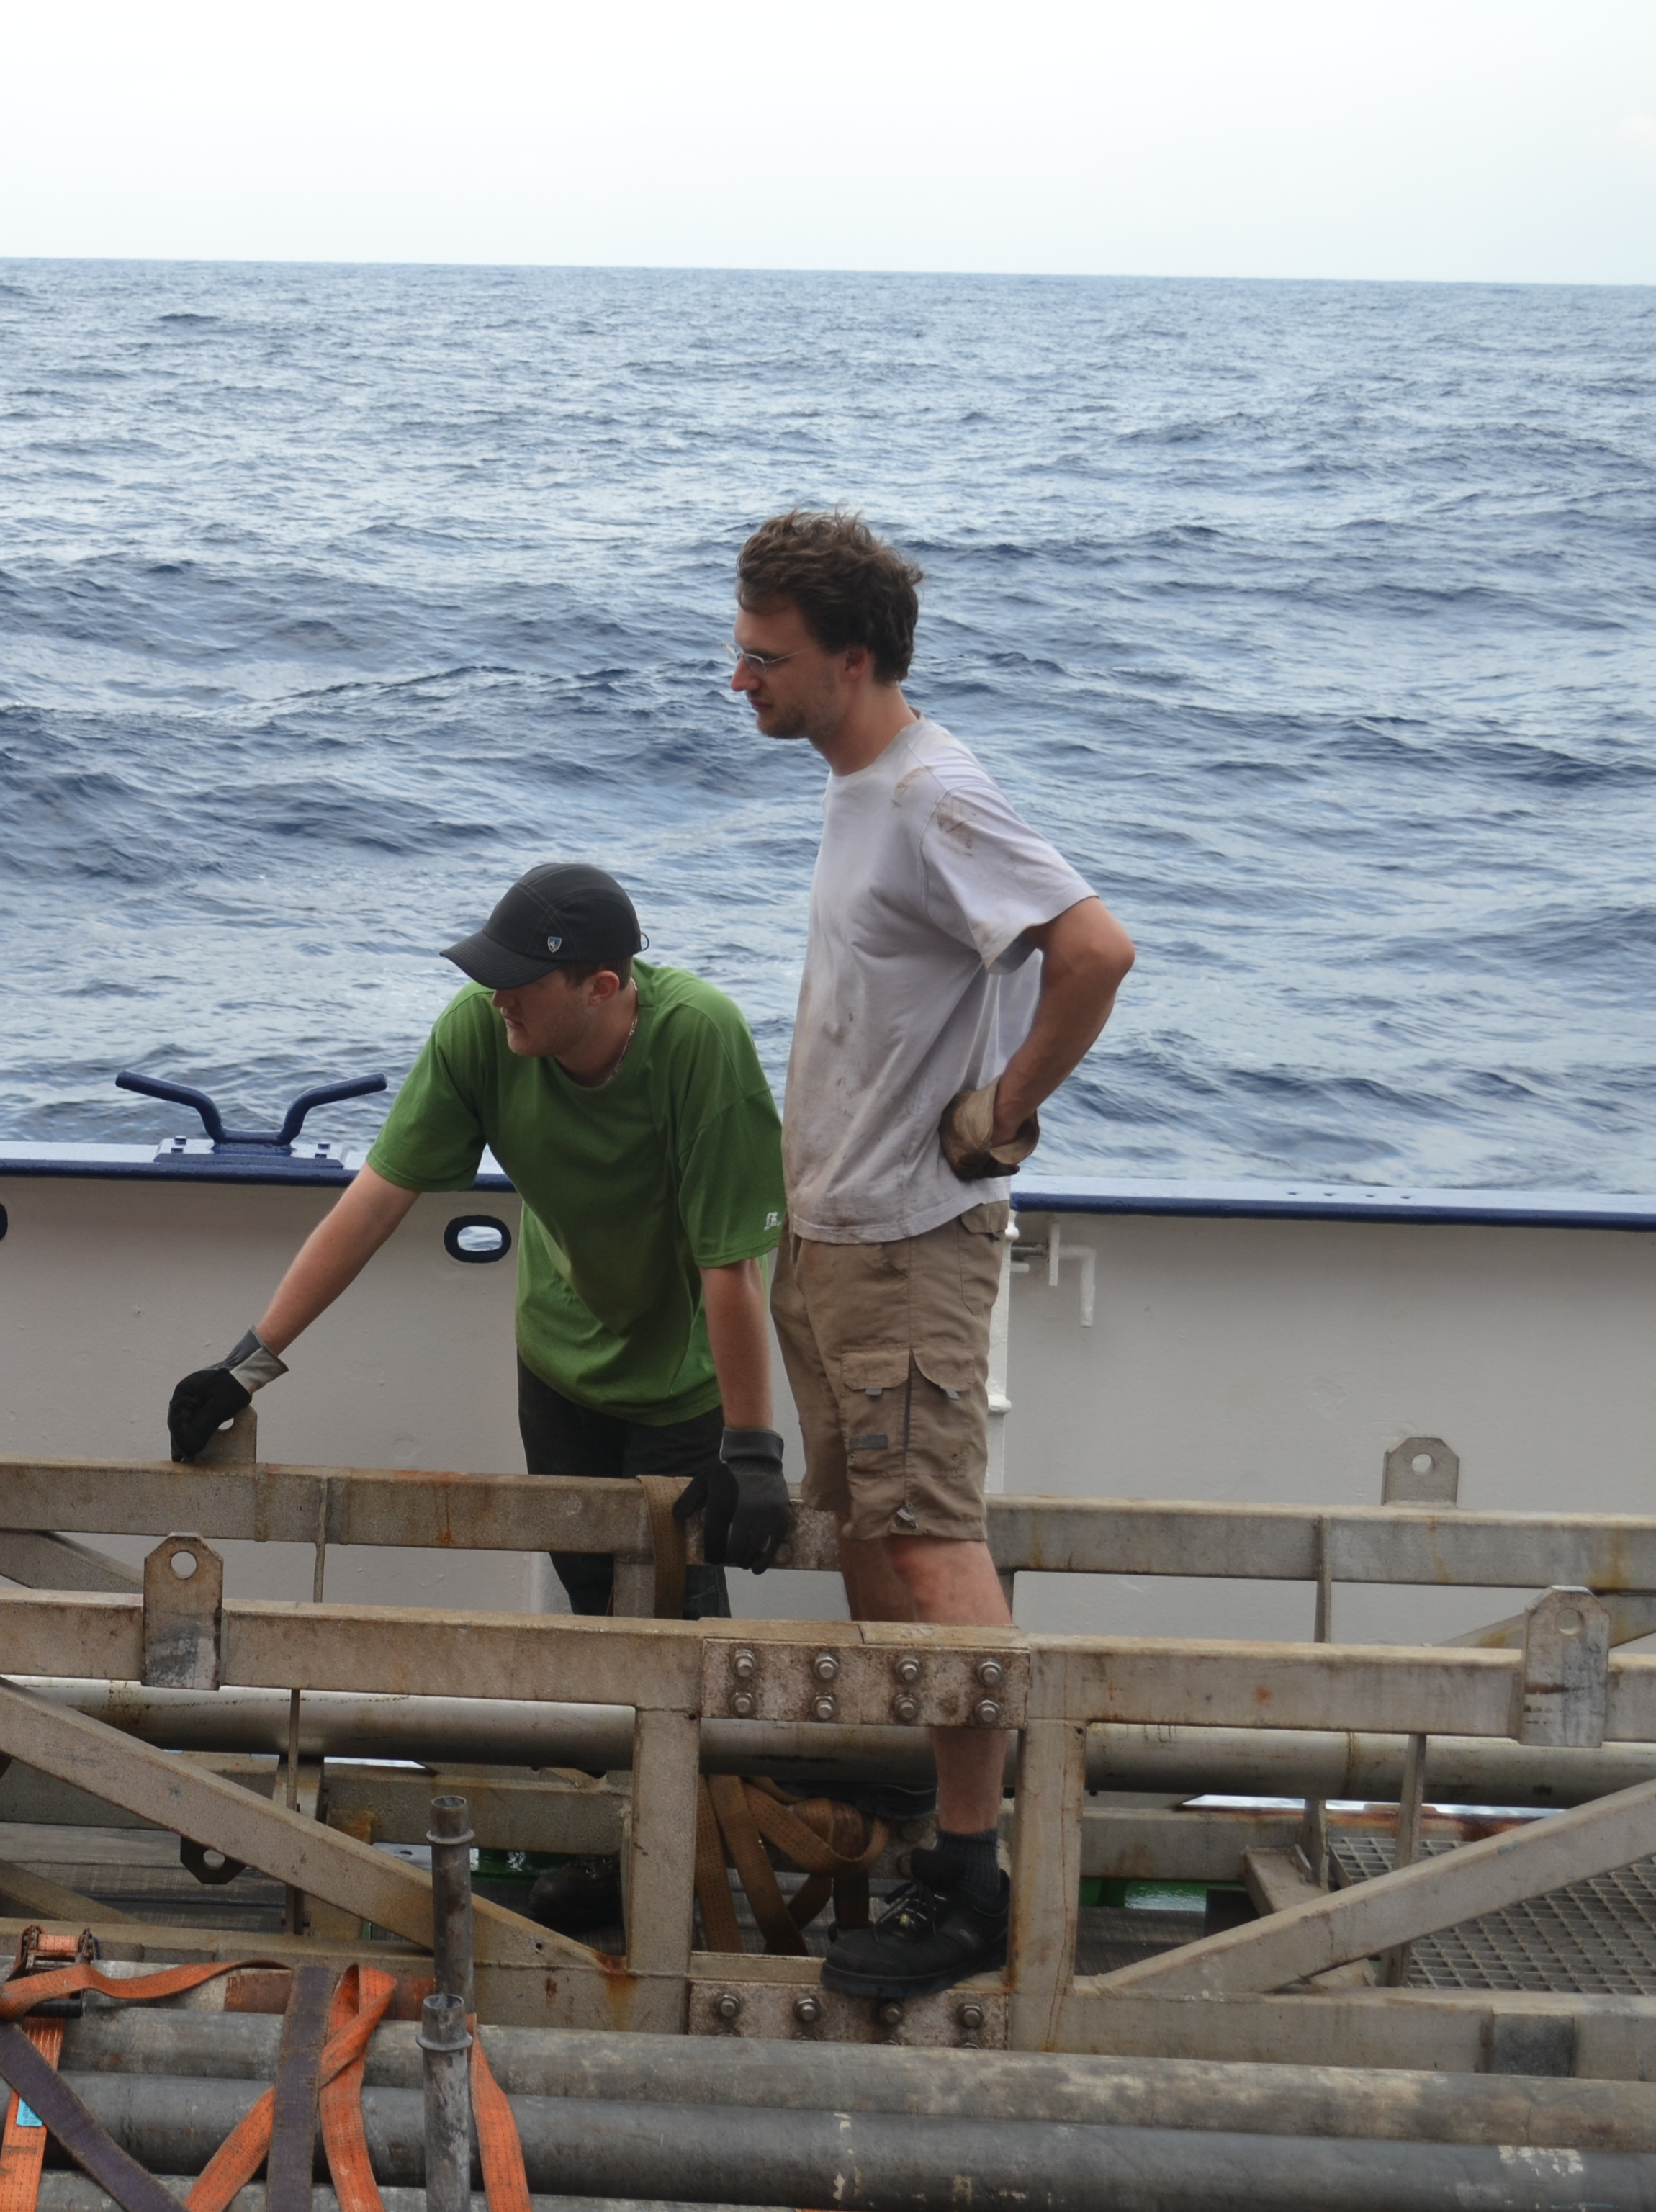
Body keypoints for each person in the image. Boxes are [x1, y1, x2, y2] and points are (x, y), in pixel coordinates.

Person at [163, 860, 788, 1933]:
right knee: (597, 1609)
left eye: (520, 982)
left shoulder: (701, 1040)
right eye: (491, 977)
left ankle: (691, 1869)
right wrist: (246, 1364)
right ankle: (635, 1846)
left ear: (602, 987)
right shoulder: (480, 1033)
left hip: (685, 1379)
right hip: (559, 1362)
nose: (497, 997)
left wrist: (753, 1447)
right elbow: (375, 1200)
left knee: (683, 1629)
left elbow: (731, 1266)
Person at [730, 508, 1136, 1998]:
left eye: (767, 658)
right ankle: (927, 1809)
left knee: (925, 1538)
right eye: (738, 649)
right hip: (831, 1234)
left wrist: (1001, 1112)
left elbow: (1094, 950)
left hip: (909, 1241)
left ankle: (972, 1870)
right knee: (860, 1526)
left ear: (852, 660)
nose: (740, 679)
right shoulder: (859, 790)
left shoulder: (932, 793)